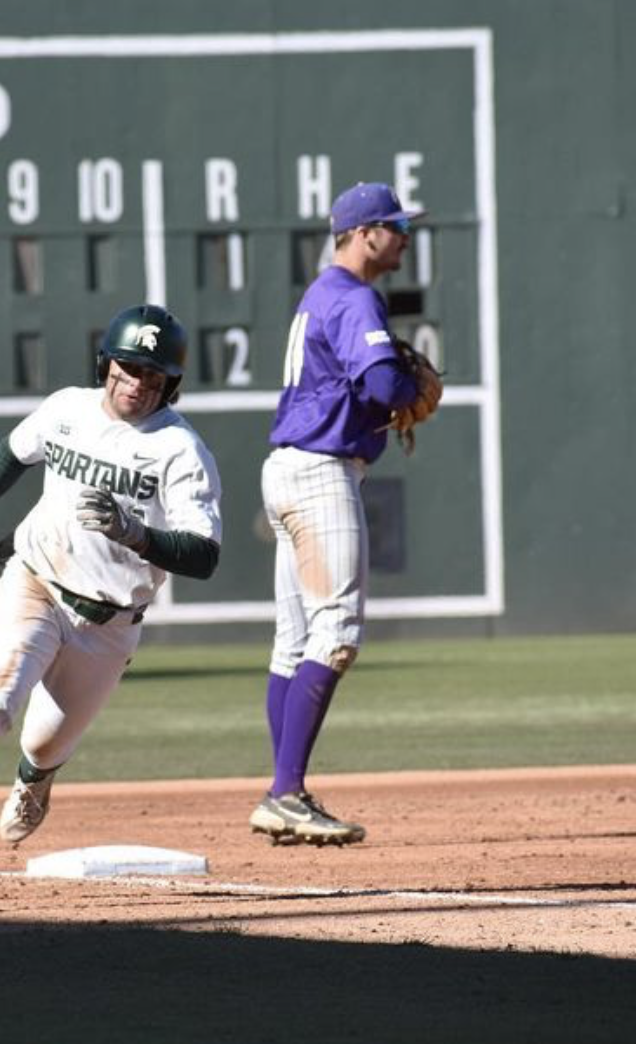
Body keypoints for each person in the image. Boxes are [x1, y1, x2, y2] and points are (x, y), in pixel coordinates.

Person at [0, 304, 222, 899]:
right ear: (106, 364)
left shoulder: (180, 449)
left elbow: (204, 554)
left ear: (170, 383)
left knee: (46, 743)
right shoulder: (68, 407)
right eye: (127, 366)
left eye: (153, 374)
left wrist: (136, 534)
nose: (137, 383)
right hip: (36, 580)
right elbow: (14, 453)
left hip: (110, 622)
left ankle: (35, 777)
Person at [250, 181, 438, 846]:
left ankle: (283, 791)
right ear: (364, 234)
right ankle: (285, 792)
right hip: (320, 472)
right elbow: (384, 383)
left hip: (288, 469)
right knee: (338, 633)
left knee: (294, 642)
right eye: (396, 226)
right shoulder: (355, 297)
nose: (405, 237)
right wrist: (409, 387)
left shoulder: (319, 295)